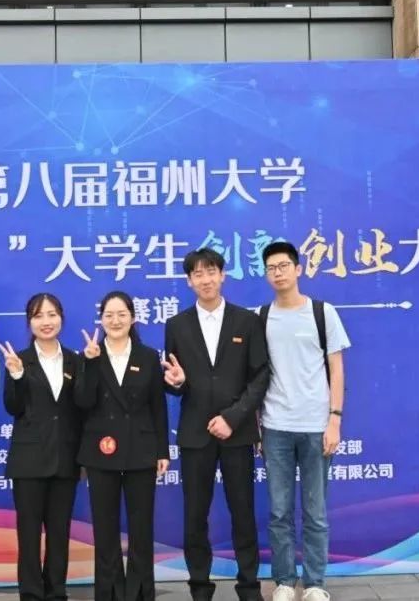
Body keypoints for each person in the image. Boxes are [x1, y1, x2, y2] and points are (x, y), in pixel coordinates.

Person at [162, 248, 269, 601]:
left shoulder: (246, 321)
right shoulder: (177, 325)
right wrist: (175, 383)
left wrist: (233, 417)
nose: (206, 279)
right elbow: (173, 380)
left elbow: (260, 376)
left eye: (211, 272)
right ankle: (200, 587)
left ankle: (249, 587)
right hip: (195, 434)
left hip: (237, 433)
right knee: (195, 515)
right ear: (189, 281)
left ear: (223, 275)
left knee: (243, 512)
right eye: (198, 274)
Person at [259, 242, 351, 601]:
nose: (278, 272)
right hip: (275, 426)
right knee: (279, 511)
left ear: (298, 269)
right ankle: (284, 581)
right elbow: (256, 375)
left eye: (284, 265)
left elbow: (337, 369)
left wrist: (335, 420)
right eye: (271, 268)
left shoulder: (322, 313)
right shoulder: (261, 317)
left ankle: (314, 583)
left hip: (316, 426)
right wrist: (257, 425)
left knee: (315, 512)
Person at [76, 291, 169, 601]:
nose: (115, 321)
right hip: (100, 451)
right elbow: (83, 402)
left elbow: (158, 406)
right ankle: (110, 592)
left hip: (141, 450)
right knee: (105, 528)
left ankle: (140, 592)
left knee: (141, 527)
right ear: (101, 319)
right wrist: (90, 364)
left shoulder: (148, 356)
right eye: (109, 315)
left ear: (133, 318)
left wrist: (162, 450)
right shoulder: (90, 355)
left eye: (121, 314)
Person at [0, 293, 83, 601]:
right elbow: (13, 407)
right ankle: (32, 593)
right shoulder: (18, 359)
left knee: (60, 532)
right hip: (29, 460)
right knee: (29, 533)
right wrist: (17, 375)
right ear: (29, 322)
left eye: (51, 314)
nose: (46, 322)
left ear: (61, 318)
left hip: (65, 458)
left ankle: (57, 591)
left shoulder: (75, 360)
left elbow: (82, 406)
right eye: (38, 316)